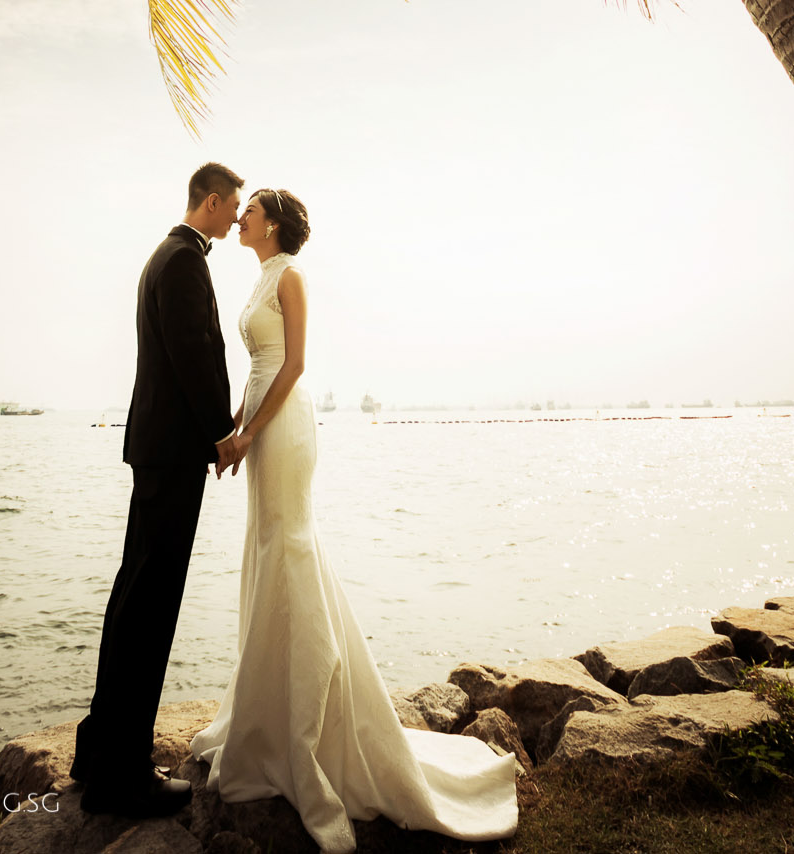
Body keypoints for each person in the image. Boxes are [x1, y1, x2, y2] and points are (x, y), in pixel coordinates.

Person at [190, 189, 518, 854]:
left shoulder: (292, 276)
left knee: (290, 546)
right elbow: (258, 366)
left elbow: (295, 364)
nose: (242, 217)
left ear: (274, 223)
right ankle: (264, 708)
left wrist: (251, 432)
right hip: (258, 420)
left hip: (283, 427)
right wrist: (230, 428)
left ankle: (305, 719)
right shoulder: (258, 278)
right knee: (268, 549)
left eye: (251, 210)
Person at [73, 161, 245, 818]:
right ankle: (121, 781)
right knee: (150, 612)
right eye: (231, 205)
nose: (236, 215)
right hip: (173, 456)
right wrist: (219, 436)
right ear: (209, 201)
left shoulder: (164, 257)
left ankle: (97, 755)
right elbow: (191, 354)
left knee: (131, 600)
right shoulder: (182, 262)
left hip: (157, 453)